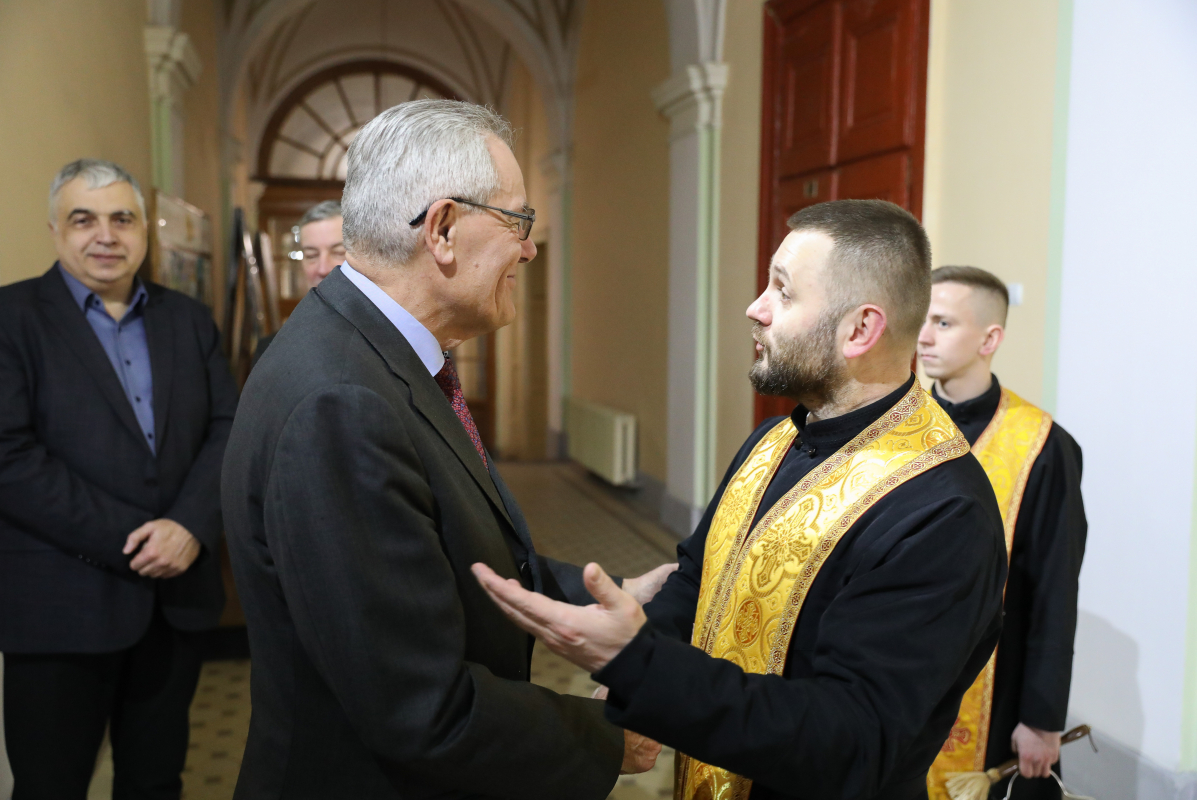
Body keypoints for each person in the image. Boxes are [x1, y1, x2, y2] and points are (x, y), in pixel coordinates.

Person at [474, 199, 1009, 800]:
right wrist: (645, 647)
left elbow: (853, 736)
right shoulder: (776, 439)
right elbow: (698, 579)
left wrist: (642, 666)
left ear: (860, 329)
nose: (754, 308)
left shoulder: (942, 511)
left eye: (782, 291)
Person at [221, 100, 674, 800]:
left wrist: (598, 594)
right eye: (518, 222)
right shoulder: (342, 404)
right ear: (442, 230)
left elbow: (443, 561)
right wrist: (611, 740)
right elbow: (417, 707)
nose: (528, 248)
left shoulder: (373, 353)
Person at [0, 159, 238, 799]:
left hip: (175, 605)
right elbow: (6, 457)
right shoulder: (9, 318)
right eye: (84, 219)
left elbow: (229, 429)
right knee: (50, 787)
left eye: (121, 218)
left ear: (143, 231)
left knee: (156, 781)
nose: (105, 235)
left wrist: (190, 526)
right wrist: (138, 538)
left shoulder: (188, 319)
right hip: (58, 606)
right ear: (55, 230)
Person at [918, 266, 1087, 800]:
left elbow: (1054, 589)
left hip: (993, 678)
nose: (923, 335)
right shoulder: (897, 425)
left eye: (943, 322)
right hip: (896, 669)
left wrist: (1041, 719)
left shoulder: (1041, 446)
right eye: (921, 319)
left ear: (990, 338)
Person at [252, 199, 343, 364]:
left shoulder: (391, 339)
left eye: (339, 252)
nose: (323, 269)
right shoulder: (272, 351)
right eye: (311, 255)